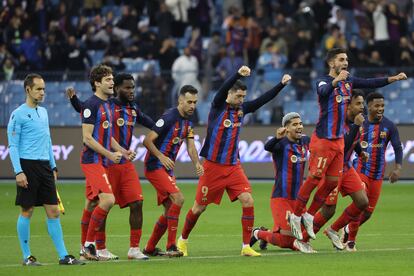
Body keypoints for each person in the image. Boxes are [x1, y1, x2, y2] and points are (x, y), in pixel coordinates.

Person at [288, 48, 407, 241]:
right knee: (315, 178)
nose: (345, 62)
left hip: (338, 142)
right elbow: (323, 91)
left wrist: (392, 79)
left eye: (347, 60)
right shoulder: (324, 81)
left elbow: (370, 83)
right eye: (341, 59)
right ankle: (296, 215)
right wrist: (337, 80)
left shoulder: (349, 82)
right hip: (323, 139)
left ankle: (309, 216)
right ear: (331, 63)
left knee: (332, 183)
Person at [177, 65, 291, 257]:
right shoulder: (217, 107)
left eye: (243, 97)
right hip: (212, 167)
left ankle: (246, 246)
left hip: (233, 167)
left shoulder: (242, 110)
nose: (241, 100)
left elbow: (262, 100)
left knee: (248, 200)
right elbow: (222, 89)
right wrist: (237, 74)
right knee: (199, 208)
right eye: (238, 96)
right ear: (229, 95)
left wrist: (280, 85)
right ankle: (182, 241)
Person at [67, 73, 155, 260]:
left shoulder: (128, 108)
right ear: (115, 89)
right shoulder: (105, 104)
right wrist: (75, 100)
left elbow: (147, 123)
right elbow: (86, 116)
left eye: (133, 87)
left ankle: (132, 249)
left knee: (136, 202)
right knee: (99, 203)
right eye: (126, 87)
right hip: (102, 161)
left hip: (120, 160)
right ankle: (95, 247)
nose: (131, 91)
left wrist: (123, 151)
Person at [7, 73, 84, 266]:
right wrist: (18, 171)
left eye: (44, 89)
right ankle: (27, 256)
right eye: (38, 89)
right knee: (27, 210)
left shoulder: (44, 112)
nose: (42, 93)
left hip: (44, 167)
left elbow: (48, 140)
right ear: (28, 90)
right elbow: (13, 146)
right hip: (28, 166)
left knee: (53, 211)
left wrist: (53, 165)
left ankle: (63, 256)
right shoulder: (18, 114)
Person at [300, 90, 369, 250]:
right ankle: (302, 240)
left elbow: (353, 141)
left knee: (362, 201)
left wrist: (360, 152)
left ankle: (333, 229)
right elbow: (342, 148)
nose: (361, 107)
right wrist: (357, 125)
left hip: (346, 167)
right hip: (330, 167)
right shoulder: (339, 123)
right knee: (329, 209)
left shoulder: (356, 120)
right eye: (358, 103)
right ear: (348, 105)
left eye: (362, 103)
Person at [79, 65, 133, 260]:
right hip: (92, 160)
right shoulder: (91, 105)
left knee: (92, 203)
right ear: (97, 83)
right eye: (108, 80)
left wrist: (122, 151)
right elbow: (87, 138)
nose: (112, 83)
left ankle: (83, 247)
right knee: (108, 200)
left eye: (112, 79)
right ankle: (89, 245)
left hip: (103, 161)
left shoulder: (109, 104)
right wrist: (110, 155)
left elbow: (107, 135)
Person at [143, 85, 203, 257]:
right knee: (179, 198)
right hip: (155, 166)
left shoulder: (188, 122)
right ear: (180, 100)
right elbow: (147, 141)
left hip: (166, 169)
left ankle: (149, 248)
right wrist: (161, 157)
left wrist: (197, 163)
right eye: (189, 102)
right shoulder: (169, 117)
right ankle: (171, 246)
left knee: (169, 209)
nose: (192, 105)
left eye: (195, 102)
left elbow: (191, 146)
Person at [343, 92, 403, 250]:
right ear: (368, 106)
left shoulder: (389, 126)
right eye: (377, 105)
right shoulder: (359, 122)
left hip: (378, 174)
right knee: (360, 205)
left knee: (368, 213)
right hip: (360, 169)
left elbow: (397, 147)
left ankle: (347, 229)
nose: (380, 108)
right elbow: (348, 142)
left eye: (382, 105)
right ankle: (351, 242)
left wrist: (397, 168)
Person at [249, 112, 315, 254]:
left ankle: (270, 233)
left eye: (300, 124)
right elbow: (268, 147)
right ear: (286, 128)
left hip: (299, 199)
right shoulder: (281, 145)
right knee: (287, 242)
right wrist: (277, 138)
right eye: (294, 124)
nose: (299, 127)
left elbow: (320, 144)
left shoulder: (305, 141)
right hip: (281, 198)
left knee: (305, 236)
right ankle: (258, 233)